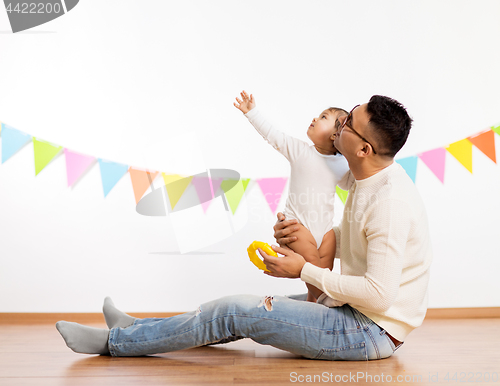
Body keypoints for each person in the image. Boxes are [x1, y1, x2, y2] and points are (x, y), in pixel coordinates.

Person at [55, 95, 432, 361]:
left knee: (236, 311)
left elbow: (380, 296)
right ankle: (136, 330)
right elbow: (318, 190)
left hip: (367, 331)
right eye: (347, 114)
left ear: (363, 149)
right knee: (229, 310)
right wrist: (303, 238)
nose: (340, 124)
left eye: (348, 123)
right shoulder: (364, 178)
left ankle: (114, 343)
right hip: (352, 312)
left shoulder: (389, 203)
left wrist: (304, 268)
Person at [234, 90, 351, 303]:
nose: (316, 118)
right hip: (298, 226)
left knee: (323, 271)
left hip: (325, 230)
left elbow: (353, 183)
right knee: (312, 267)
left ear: (335, 135)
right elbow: (273, 135)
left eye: (324, 117)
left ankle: (312, 304)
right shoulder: (301, 151)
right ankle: (330, 303)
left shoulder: (342, 164)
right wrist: (252, 112)